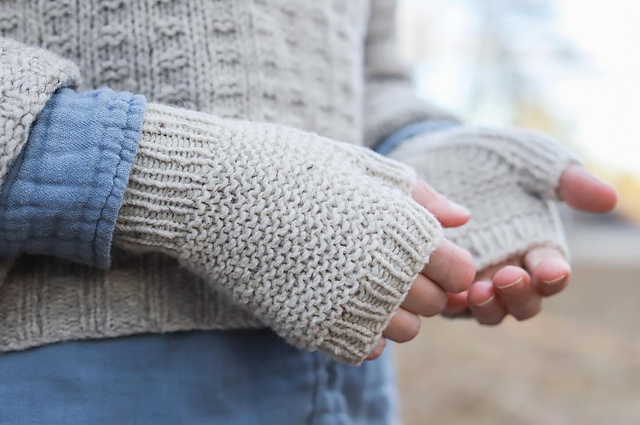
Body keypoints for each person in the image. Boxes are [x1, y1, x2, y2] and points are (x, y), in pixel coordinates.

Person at [0, 0, 616, 423]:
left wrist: (417, 148)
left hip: (343, 368)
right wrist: (189, 180)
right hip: (71, 373)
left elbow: (370, 75)